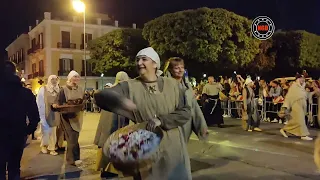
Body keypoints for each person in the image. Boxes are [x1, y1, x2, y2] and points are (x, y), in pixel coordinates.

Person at [94, 47, 192, 179]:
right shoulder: (129, 86)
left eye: (144, 59)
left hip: (174, 147)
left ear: (155, 64)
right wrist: (121, 102)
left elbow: (185, 112)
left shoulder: (173, 85)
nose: (139, 63)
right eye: (137, 60)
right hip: (145, 148)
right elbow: (100, 97)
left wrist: (161, 120)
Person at [0, 61, 40, 180]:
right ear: (14, 72)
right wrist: (27, 131)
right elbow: (35, 116)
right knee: (14, 167)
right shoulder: (26, 93)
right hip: (17, 133)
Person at [94, 71, 130, 178]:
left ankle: (104, 169)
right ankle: (110, 170)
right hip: (115, 121)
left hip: (107, 122)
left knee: (105, 143)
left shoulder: (109, 90)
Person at [163, 57, 208, 142]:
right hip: (171, 125)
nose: (180, 70)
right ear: (170, 70)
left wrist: (201, 127)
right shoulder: (165, 86)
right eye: (176, 68)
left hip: (186, 126)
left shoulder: (187, 86)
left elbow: (194, 107)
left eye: (182, 67)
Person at [53, 70, 85, 166]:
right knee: (71, 137)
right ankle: (71, 160)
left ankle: (76, 158)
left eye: (78, 77)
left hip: (77, 115)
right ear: (70, 78)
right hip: (66, 116)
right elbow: (59, 102)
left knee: (75, 137)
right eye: (74, 77)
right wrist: (58, 105)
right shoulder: (63, 89)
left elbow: (83, 101)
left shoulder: (80, 89)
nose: (76, 78)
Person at [279, 73, 312, 141]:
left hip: (301, 106)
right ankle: (303, 135)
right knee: (300, 120)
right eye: (301, 78)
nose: (302, 80)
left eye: (303, 78)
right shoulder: (294, 86)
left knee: (296, 121)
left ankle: (284, 129)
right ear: (297, 79)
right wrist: (285, 106)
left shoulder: (302, 87)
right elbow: (289, 97)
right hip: (296, 105)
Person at [36, 75, 61, 155]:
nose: (54, 81)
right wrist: (41, 115)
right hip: (46, 113)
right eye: (52, 79)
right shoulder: (43, 89)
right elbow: (39, 102)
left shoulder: (58, 90)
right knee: (46, 131)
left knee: (53, 132)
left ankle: (52, 148)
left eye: (55, 79)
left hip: (55, 113)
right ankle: (43, 146)